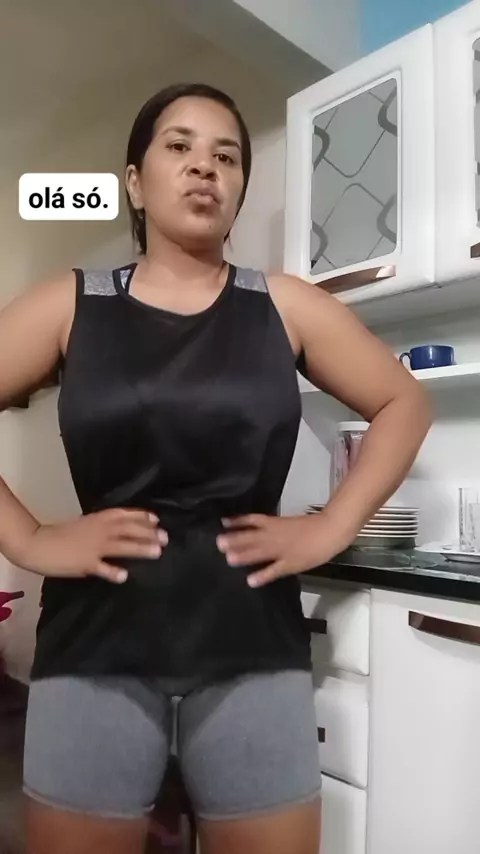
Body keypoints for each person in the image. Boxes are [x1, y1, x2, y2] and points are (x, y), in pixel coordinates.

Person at [0, 82, 431, 854]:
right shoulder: (72, 305)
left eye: (226, 157)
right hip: (94, 652)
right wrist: (28, 539)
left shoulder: (286, 306)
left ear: (237, 191)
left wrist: (332, 526)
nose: (206, 167)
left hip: (252, 647)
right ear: (136, 182)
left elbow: (404, 402)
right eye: (180, 146)